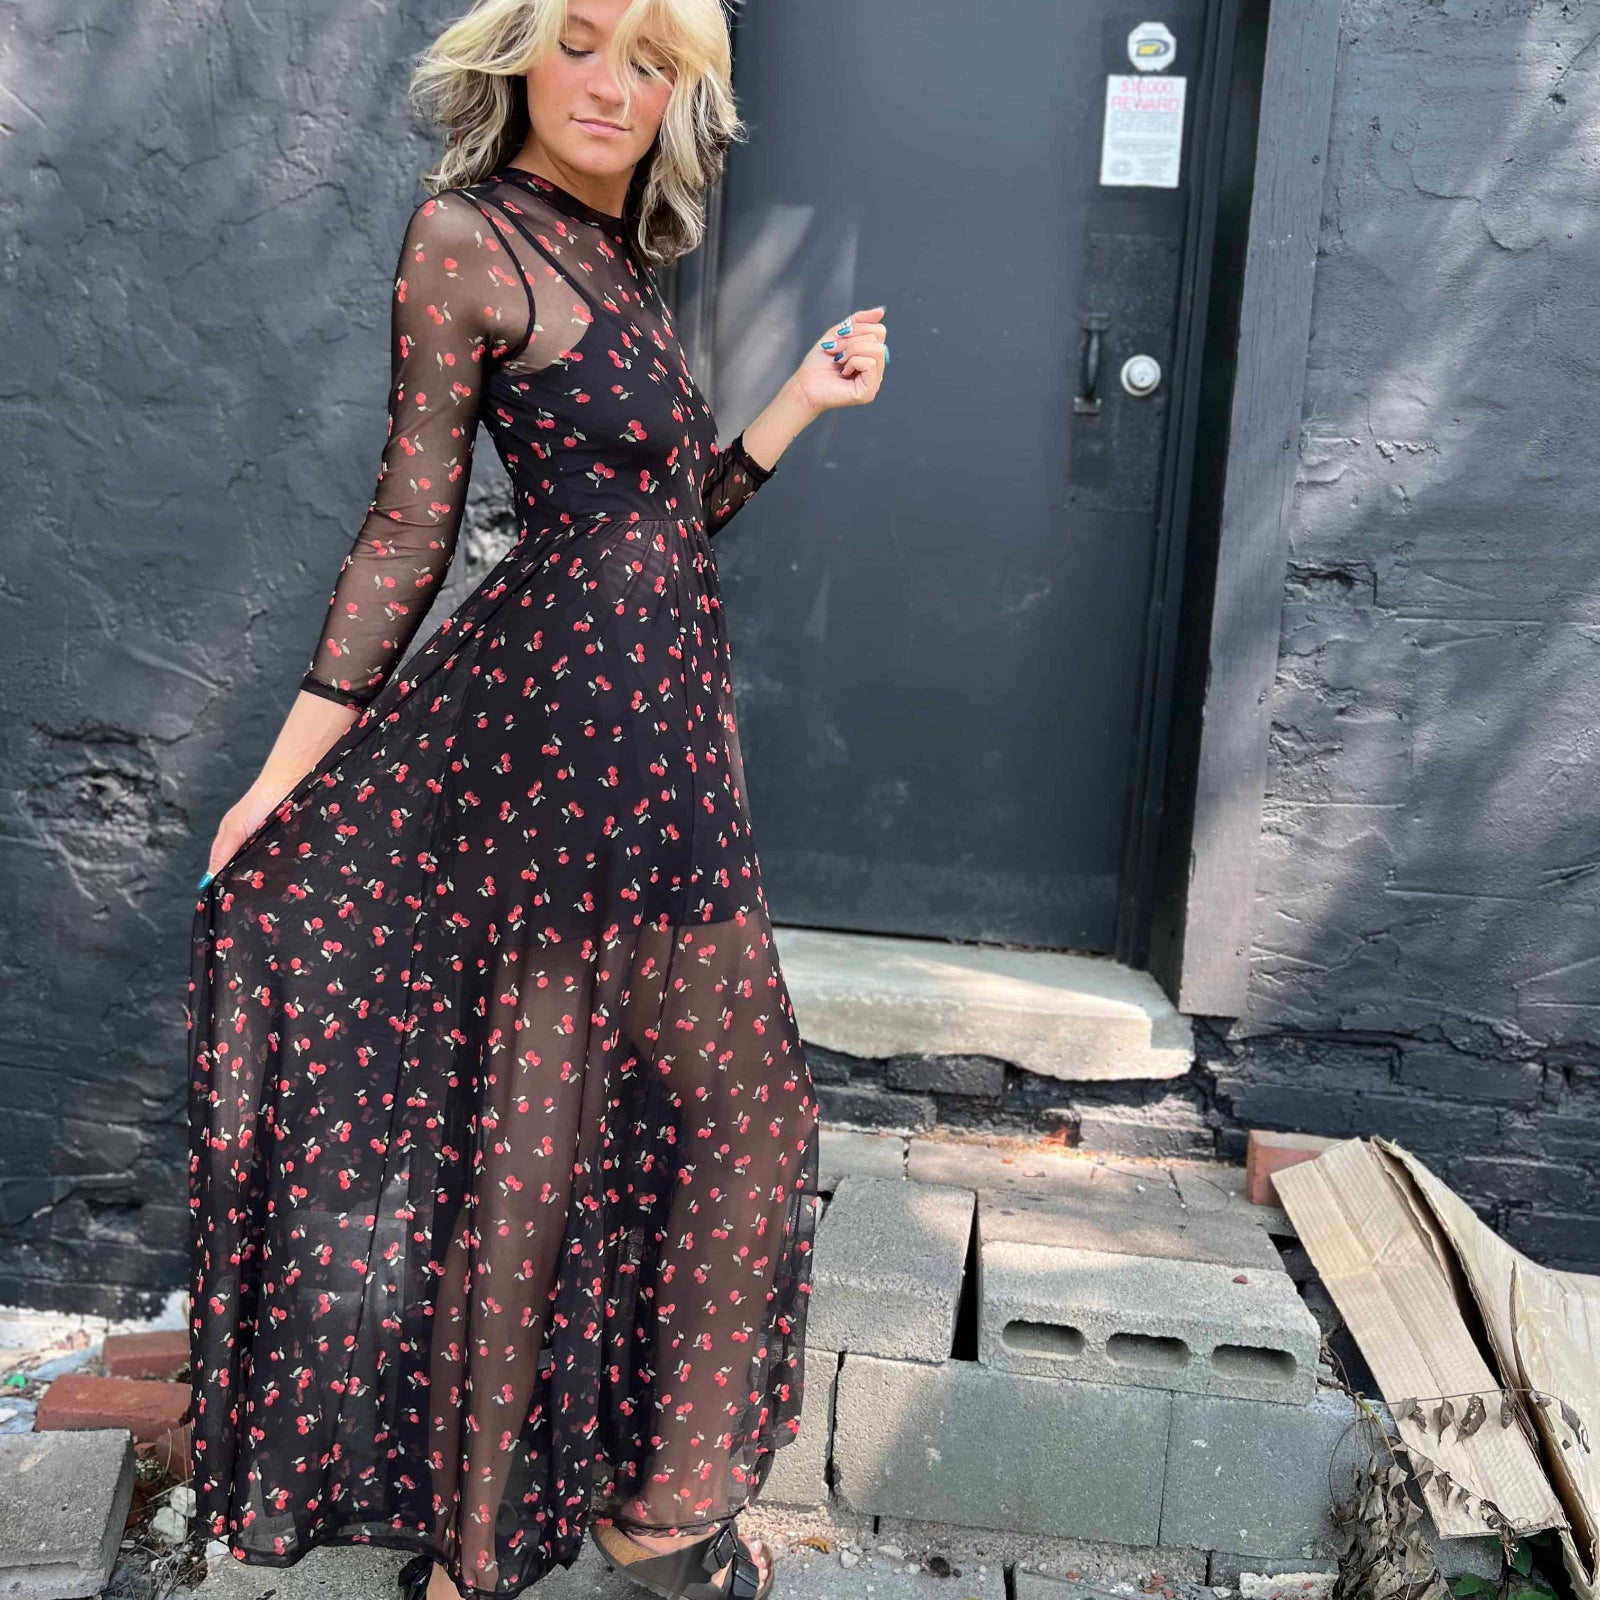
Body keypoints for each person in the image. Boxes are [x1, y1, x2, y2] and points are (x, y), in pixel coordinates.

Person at [184, 2, 887, 1598]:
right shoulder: (468, 238)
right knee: (552, 1135)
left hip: (668, 761)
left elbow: (661, 520)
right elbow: (408, 526)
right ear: (517, 53)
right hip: (562, 753)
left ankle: (626, 1513)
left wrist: (794, 405)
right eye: (583, 41)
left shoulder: (617, 258)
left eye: (653, 62)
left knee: (721, 1120)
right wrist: (281, 781)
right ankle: (503, 1553)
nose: (612, 87)